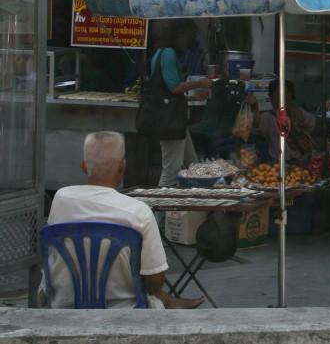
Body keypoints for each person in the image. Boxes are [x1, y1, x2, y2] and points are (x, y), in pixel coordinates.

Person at [41, 131, 203, 309]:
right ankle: (168, 300)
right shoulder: (139, 212)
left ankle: (168, 300)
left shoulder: (61, 198)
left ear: (83, 166)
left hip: (63, 307)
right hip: (125, 310)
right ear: (123, 166)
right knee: (154, 292)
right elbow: (155, 278)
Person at [150, 19, 213, 187]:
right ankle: (161, 203)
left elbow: (168, 90)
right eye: (188, 36)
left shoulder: (161, 53)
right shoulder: (168, 54)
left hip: (175, 119)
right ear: (179, 35)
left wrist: (193, 97)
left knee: (192, 164)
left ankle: (197, 198)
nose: (188, 41)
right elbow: (174, 87)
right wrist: (199, 83)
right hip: (171, 121)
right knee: (171, 172)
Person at [248, 79, 316, 165]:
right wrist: (254, 108)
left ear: (292, 95)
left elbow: (312, 125)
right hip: (282, 164)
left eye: (286, 92)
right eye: (278, 93)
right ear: (271, 97)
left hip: (306, 161)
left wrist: (294, 111)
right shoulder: (268, 117)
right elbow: (257, 126)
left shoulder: (299, 111)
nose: (282, 96)